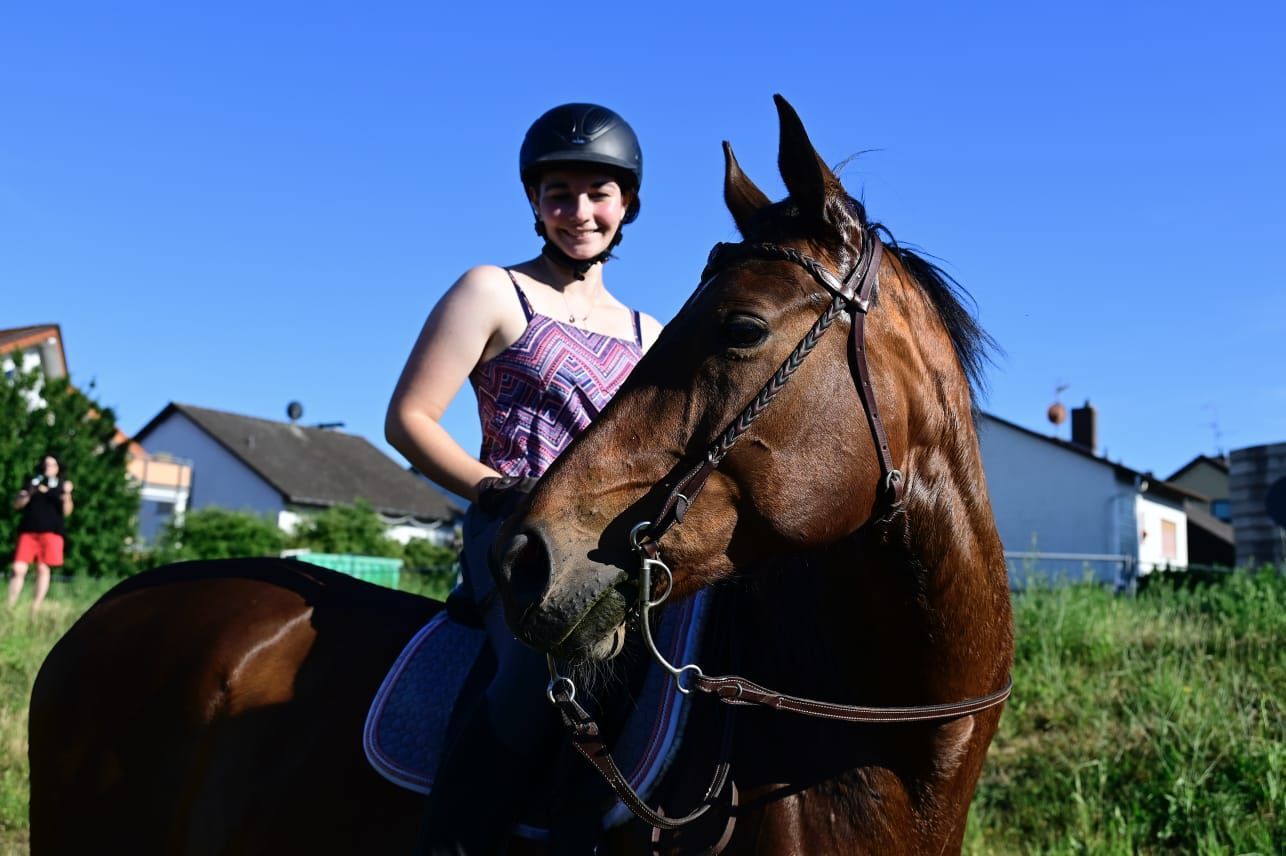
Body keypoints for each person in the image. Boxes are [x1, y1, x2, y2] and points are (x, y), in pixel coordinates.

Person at [385, 103, 661, 855]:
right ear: (535, 203)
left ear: (627, 204)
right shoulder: (492, 291)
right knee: (545, 667)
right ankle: (454, 840)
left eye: (598, 193)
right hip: (515, 533)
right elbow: (409, 418)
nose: (580, 211)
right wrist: (494, 489)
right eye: (559, 194)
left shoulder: (652, 335)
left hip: (613, 548)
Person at [9, 454, 74, 612]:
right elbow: (17, 505)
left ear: (58, 468)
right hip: (29, 531)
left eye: (52, 464)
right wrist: (26, 495)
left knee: (43, 569)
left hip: (51, 532)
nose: (48, 467)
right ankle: (9, 607)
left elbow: (67, 512)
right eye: (46, 464)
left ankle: (35, 608)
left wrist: (67, 494)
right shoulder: (32, 482)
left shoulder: (61, 486)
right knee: (18, 568)